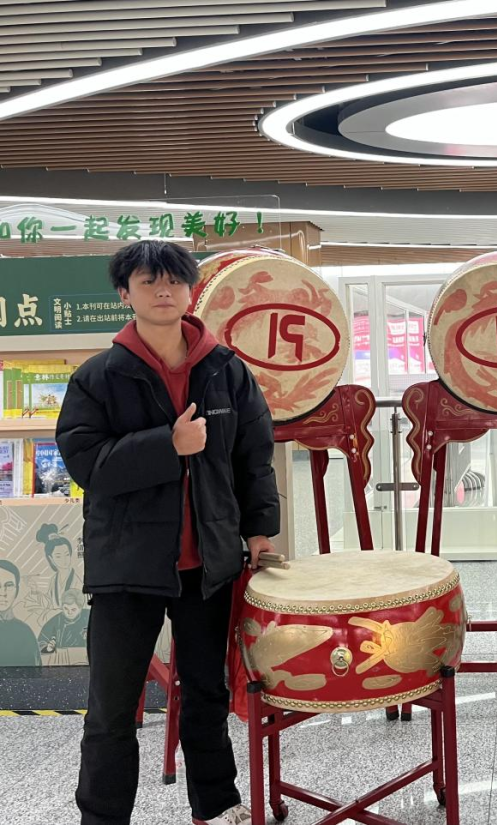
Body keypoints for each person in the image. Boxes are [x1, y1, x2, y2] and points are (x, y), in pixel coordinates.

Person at [57, 240, 280, 825]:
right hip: (126, 565)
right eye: (148, 281)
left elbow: (253, 457)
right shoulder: (98, 377)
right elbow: (87, 464)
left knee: (207, 694)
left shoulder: (225, 369)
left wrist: (260, 530)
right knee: (111, 708)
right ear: (124, 294)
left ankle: (217, 805)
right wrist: (167, 446)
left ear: (190, 291)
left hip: (208, 562)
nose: (164, 291)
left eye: (175, 281)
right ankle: (102, 817)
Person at [0, 560, 41, 666]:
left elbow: (35, 671)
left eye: (9, 586)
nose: (3, 593)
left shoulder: (25, 633)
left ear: (17, 590)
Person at [38, 588, 90, 665]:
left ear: (80, 608)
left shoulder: (89, 617)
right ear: (62, 607)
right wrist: (47, 648)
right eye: (66, 608)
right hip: (62, 661)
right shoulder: (55, 621)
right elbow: (40, 643)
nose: (69, 612)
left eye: (73, 609)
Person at [38, 523, 82, 609]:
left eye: (67, 554)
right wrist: (35, 591)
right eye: (58, 556)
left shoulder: (77, 581)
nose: (64, 560)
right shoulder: (54, 580)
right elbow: (49, 602)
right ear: (51, 558)